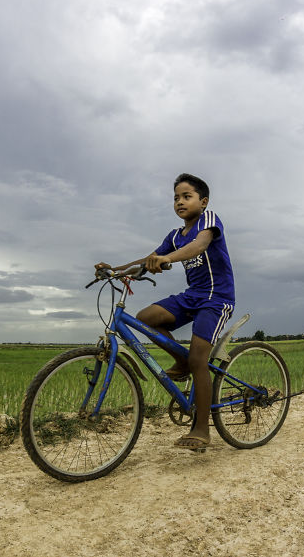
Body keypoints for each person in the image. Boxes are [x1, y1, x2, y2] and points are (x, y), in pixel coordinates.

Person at [94, 173, 234, 450]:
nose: (180, 202)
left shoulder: (208, 221)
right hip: (192, 296)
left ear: (203, 202)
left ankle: (202, 428)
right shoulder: (175, 235)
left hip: (216, 299)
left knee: (199, 360)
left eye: (187, 196)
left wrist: (168, 258)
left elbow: (200, 245)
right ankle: (180, 363)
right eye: (176, 198)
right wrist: (116, 270)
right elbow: (149, 260)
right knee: (146, 318)